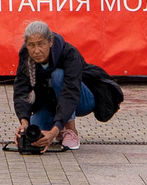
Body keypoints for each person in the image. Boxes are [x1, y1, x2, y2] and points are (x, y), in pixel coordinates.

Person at [7, 21, 94, 154]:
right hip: (51, 103)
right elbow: (21, 90)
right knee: (37, 132)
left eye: (41, 44)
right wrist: (24, 124)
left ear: (50, 42)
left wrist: (53, 131)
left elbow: (70, 93)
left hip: (82, 101)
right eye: (31, 45)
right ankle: (59, 127)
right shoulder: (25, 55)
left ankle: (70, 130)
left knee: (58, 76)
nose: (36, 51)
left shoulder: (69, 53)